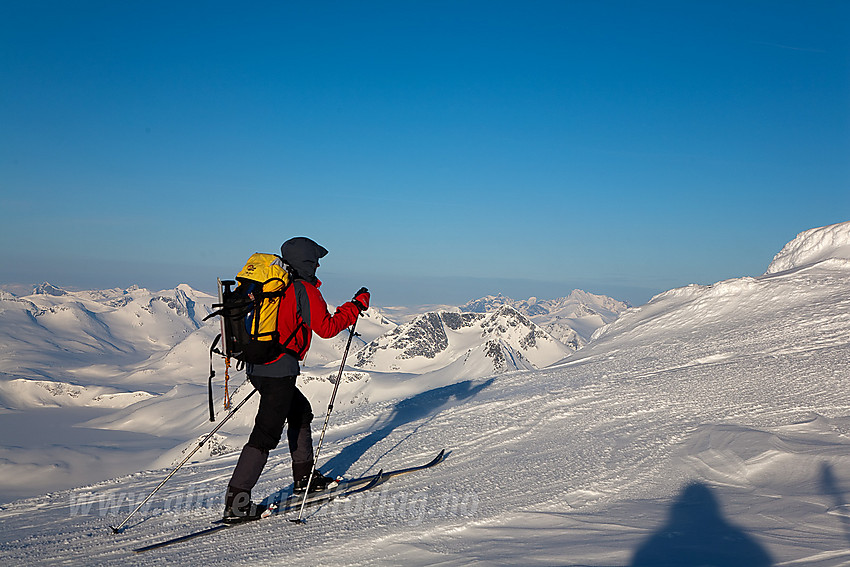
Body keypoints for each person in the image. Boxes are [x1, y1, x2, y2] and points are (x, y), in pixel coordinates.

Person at [222, 236, 370, 523]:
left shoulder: (272, 285)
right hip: (280, 371)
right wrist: (354, 307)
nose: (317, 265)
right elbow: (326, 328)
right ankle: (237, 503)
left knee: (301, 412)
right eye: (315, 260)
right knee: (265, 435)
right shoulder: (302, 289)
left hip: (257, 365)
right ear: (308, 262)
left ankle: (305, 479)